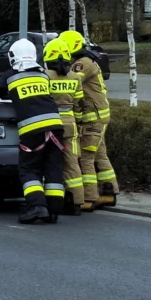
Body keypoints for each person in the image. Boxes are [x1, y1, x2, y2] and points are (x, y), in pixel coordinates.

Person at [0, 38, 65, 224]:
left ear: (13, 56)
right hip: (56, 127)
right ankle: (53, 210)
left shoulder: (11, 76)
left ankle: (37, 207)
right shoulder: (43, 75)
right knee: (53, 167)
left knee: (29, 169)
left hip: (32, 131)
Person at [59, 30, 117, 210]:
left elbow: (71, 82)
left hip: (92, 118)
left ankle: (89, 199)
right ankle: (108, 193)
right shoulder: (86, 60)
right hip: (99, 116)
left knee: (85, 157)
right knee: (99, 154)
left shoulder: (81, 64)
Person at [43, 38, 85, 216]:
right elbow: (79, 105)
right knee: (72, 163)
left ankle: (50, 200)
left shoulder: (44, 76)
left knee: (48, 162)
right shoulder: (75, 78)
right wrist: (79, 121)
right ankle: (77, 201)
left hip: (49, 125)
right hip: (70, 126)